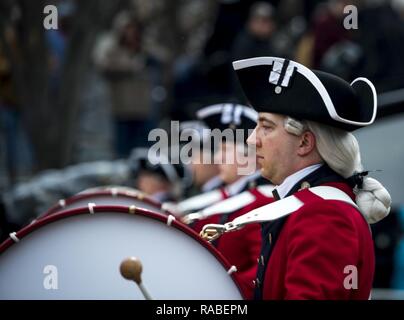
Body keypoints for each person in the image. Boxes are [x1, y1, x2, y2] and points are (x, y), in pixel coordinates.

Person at [229, 56, 391, 299]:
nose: (252, 140)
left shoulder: (324, 214)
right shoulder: (312, 206)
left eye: (266, 127)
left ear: (304, 142)